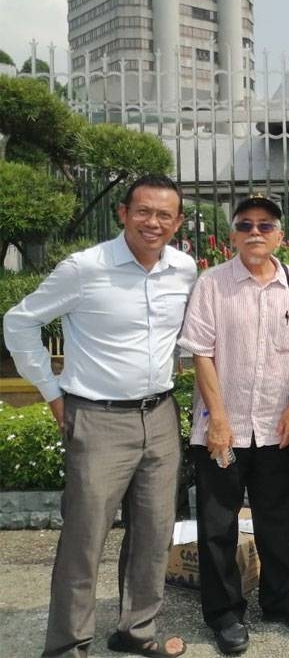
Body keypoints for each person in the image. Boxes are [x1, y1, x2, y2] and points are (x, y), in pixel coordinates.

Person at [3, 175, 195, 658]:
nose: (153, 223)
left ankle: (136, 631)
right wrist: (51, 391)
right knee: (84, 538)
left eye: (164, 215)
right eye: (144, 212)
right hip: (98, 418)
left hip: (161, 415)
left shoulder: (184, 269)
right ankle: (68, 644)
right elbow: (19, 321)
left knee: (153, 532)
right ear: (123, 213)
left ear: (177, 222)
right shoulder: (85, 269)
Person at [177, 196, 289, 655]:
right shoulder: (212, 283)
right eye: (245, 225)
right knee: (218, 527)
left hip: (277, 425)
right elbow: (200, 352)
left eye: (265, 225)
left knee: (278, 521)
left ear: (280, 234)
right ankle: (224, 614)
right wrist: (218, 421)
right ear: (232, 235)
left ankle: (280, 599)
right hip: (223, 428)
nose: (255, 232)